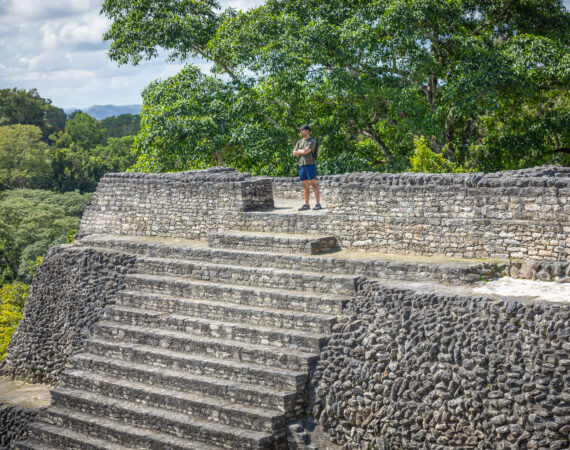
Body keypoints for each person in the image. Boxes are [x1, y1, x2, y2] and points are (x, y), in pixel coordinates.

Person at [292, 124, 322, 211]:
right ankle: (307, 204)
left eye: (302, 130)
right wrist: (301, 151)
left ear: (307, 130)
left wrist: (299, 151)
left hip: (310, 164)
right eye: (300, 130)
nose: (301, 132)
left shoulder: (311, 141)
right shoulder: (299, 141)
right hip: (302, 165)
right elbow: (294, 153)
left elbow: (306, 151)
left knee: (313, 184)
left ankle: (318, 203)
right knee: (304, 185)